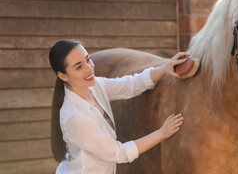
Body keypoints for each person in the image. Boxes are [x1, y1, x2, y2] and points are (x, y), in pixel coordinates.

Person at [49, 40, 187, 174]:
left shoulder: (95, 86)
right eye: (79, 67)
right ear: (63, 75)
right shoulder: (75, 117)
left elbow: (131, 84)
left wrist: (163, 69)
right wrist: (161, 133)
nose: (89, 68)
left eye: (88, 59)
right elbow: (119, 153)